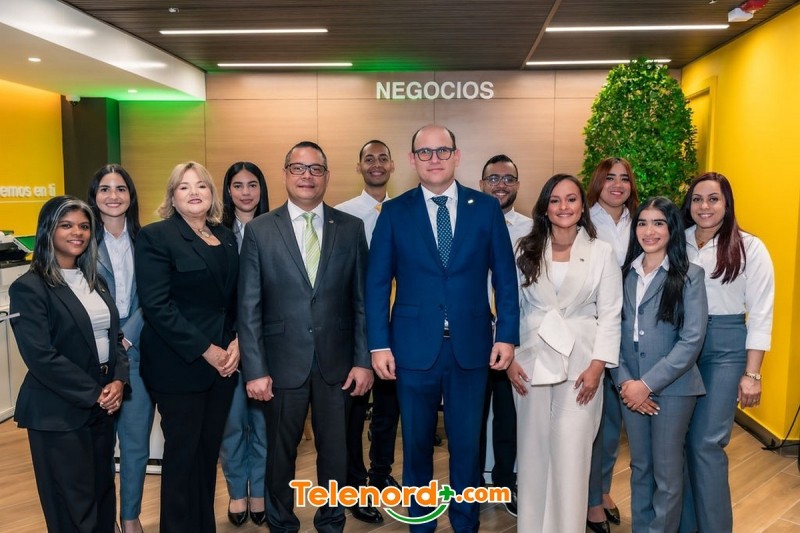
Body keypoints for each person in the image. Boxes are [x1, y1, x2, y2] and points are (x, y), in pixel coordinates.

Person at [366, 124, 519, 532]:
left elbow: (506, 279)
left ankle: (465, 523)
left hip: (472, 348)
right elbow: (377, 283)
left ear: (457, 156)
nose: (434, 159)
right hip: (411, 349)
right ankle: (421, 524)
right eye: (425, 152)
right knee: (416, 446)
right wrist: (379, 345)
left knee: (467, 446)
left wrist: (506, 335)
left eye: (442, 151)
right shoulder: (394, 212)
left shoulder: (484, 209)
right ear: (412, 160)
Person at [238, 141, 373, 532]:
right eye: (298, 168)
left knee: (335, 452)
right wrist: (255, 369)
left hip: (338, 364)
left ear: (327, 176)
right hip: (280, 364)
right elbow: (249, 307)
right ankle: (281, 523)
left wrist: (363, 360)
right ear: (285, 174)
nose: (307, 176)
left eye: (316, 169)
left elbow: (362, 301)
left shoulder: (350, 228)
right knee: (280, 455)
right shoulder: (260, 230)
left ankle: (331, 521)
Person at [507, 173, 621, 533]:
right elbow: (509, 306)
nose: (563, 207)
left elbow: (611, 313)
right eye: (555, 200)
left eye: (571, 199)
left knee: (572, 454)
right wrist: (510, 359)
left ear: (582, 206)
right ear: (545, 207)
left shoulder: (601, 252)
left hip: (582, 364)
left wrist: (598, 367)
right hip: (530, 361)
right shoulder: (524, 248)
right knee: (533, 451)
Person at [9, 195, 129, 533]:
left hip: (102, 404)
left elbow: (115, 337)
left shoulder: (95, 281)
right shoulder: (29, 288)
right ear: (48, 230)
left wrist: (118, 380)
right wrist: (95, 392)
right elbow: (41, 356)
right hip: (57, 411)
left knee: (102, 493)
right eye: (66, 225)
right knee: (72, 505)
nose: (77, 232)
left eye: (84, 226)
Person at [135, 161, 240, 533]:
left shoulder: (225, 236)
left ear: (212, 193)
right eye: (184, 186)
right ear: (172, 196)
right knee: (182, 457)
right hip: (178, 365)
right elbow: (157, 306)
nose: (194, 192)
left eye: (201, 185)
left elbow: (234, 299)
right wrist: (208, 350)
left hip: (224, 367)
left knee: (207, 454)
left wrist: (238, 341)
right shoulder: (156, 236)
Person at [679, 172, 775, 533]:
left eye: (713, 199)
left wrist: (752, 374)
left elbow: (762, 314)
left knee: (706, 443)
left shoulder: (750, 247)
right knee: (679, 444)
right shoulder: (677, 241)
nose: (704, 206)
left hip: (725, 349)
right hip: (679, 347)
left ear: (726, 203)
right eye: (697, 199)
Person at [616, 197, 707, 533]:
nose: (649, 231)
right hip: (629, 387)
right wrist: (626, 382)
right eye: (642, 223)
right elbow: (608, 332)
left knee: (667, 473)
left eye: (658, 223)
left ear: (672, 229)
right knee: (640, 467)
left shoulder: (690, 276)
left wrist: (647, 385)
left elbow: (691, 341)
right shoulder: (623, 274)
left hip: (674, 388)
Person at [335, 139, 399, 524]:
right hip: (353, 331)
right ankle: (355, 485)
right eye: (369, 159)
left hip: (396, 327)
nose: (376, 164)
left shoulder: (404, 211)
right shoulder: (342, 215)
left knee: (389, 410)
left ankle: (380, 473)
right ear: (359, 166)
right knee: (354, 412)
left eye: (383, 158)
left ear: (392, 166)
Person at [87, 165, 150, 533]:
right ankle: (103, 519)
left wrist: (127, 336)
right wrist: (111, 339)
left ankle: (130, 516)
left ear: (131, 195)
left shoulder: (147, 240)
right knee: (98, 445)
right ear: (94, 196)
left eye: (121, 188)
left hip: (138, 351)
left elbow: (154, 295)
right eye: (105, 189)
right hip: (94, 355)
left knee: (136, 443)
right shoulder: (83, 243)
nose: (113, 196)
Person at [585, 157, 640, 530]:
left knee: (617, 423)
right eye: (609, 178)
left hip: (634, 331)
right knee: (596, 423)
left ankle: (603, 490)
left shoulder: (643, 222)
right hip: (594, 329)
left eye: (624, 179)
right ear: (597, 183)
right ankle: (591, 500)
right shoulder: (583, 221)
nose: (617, 184)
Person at [477, 153, 533, 517]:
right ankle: (471, 483)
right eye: (494, 179)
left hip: (515, 337)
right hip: (473, 334)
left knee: (509, 416)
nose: (501, 185)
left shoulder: (533, 230)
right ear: (481, 184)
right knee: (471, 415)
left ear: (517, 185)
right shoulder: (468, 221)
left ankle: (504, 481)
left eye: (508, 179)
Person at [218, 161, 270, 527]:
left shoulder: (276, 227)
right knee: (233, 424)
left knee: (263, 425)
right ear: (228, 191)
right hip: (224, 346)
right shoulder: (214, 233)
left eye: (253, 184)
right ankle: (237, 491)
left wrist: (249, 337)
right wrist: (234, 337)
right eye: (238, 185)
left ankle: (260, 491)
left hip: (267, 343)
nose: (246, 192)